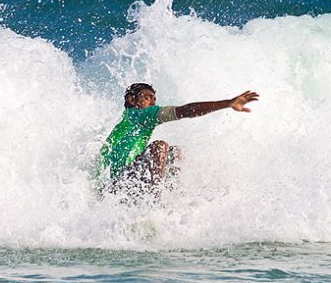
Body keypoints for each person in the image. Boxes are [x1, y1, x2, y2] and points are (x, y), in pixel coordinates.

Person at [98, 83, 259, 199]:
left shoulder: (126, 121)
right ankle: (155, 203)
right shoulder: (141, 115)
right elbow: (185, 111)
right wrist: (228, 103)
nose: (154, 103)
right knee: (160, 147)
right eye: (147, 98)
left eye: (154, 99)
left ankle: (172, 198)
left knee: (174, 152)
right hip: (119, 186)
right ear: (132, 100)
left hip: (115, 188)